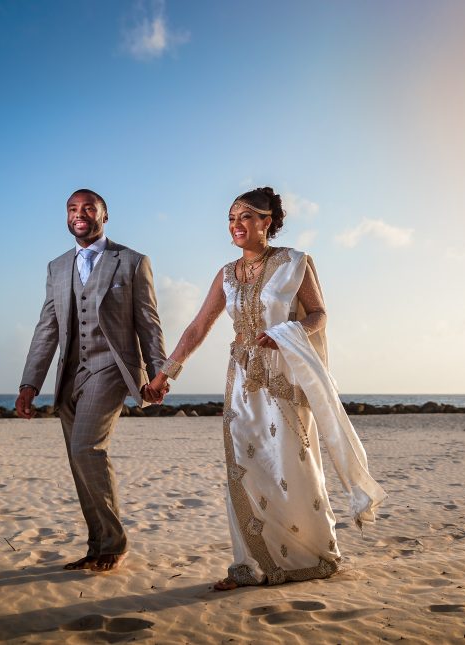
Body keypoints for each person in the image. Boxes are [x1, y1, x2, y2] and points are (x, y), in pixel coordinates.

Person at [147, 186, 386, 590]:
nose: (236, 225)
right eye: (231, 218)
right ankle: (249, 565)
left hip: (284, 377)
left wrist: (288, 333)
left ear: (267, 221)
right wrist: (165, 374)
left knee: (291, 465)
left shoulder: (295, 262)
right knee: (244, 466)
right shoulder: (227, 274)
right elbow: (198, 327)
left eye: (246, 217)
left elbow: (320, 315)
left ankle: (311, 556)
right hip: (242, 380)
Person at [16, 188, 169, 573]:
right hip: (71, 374)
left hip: (111, 369)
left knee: (88, 449)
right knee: (78, 461)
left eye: (87, 208)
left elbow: (148, 321)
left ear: (104, 215)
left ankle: (113, 544)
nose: (78, 214)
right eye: (72, 209)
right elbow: (47, 327)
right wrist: (29, 384)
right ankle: (96, 544)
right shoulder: (57, 266)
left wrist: (159, 372)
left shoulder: (132, 261)